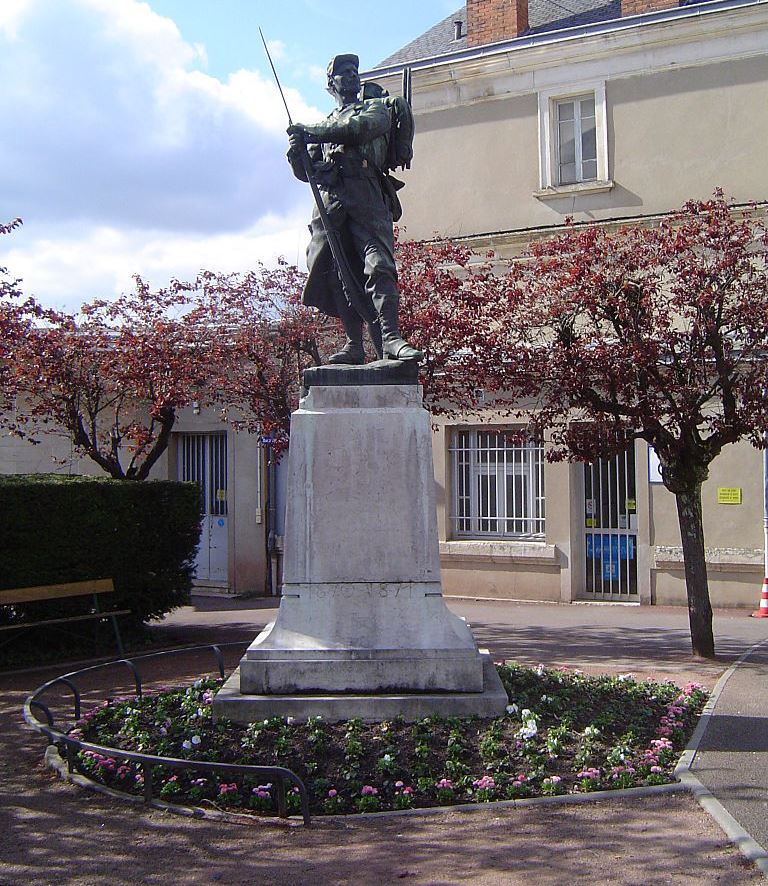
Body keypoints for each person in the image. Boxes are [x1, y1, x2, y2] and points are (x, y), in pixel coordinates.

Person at [286, 53, 423, 365]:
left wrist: (311, 132)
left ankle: (390, 338)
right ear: (331, 83)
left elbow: (360, 129)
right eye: (343, 72)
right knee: (338, 273)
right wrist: (297, 155)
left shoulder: (375, 108)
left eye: (354, 71)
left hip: (366, 193)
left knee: (379, 265)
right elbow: (309, 171)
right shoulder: (325, 124)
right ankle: (354, 344)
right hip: (331, 201)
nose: (350, 76)